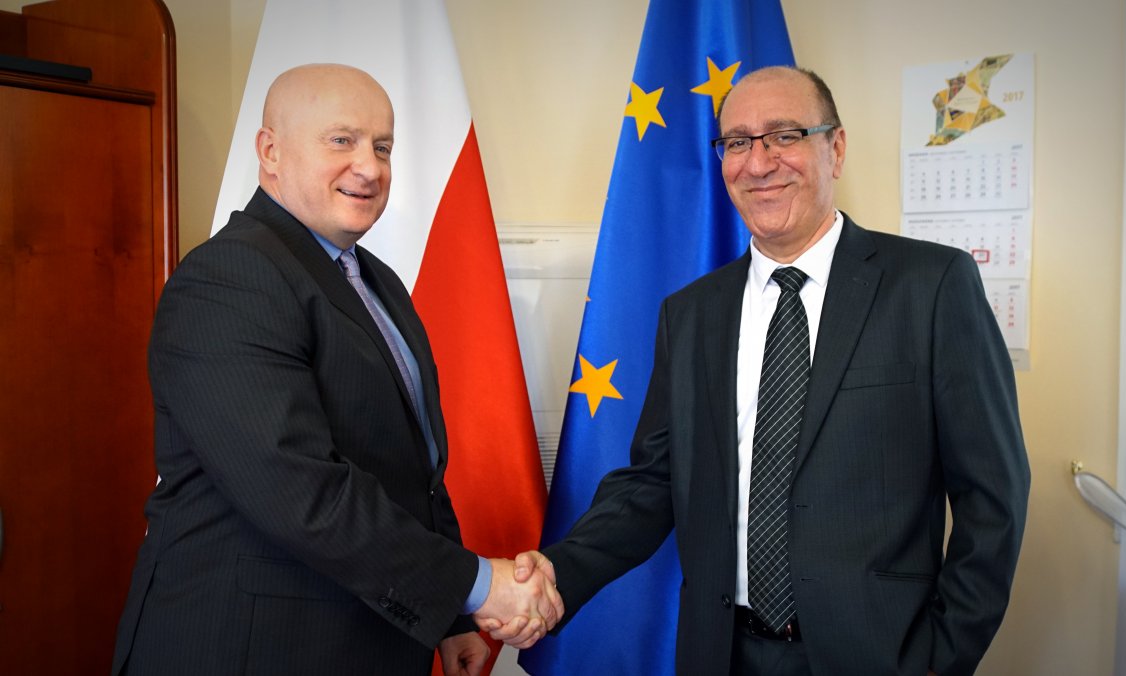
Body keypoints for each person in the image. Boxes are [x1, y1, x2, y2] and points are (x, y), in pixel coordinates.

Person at [495, 66, 1030, 675]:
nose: (758, 163)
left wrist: (943, 656)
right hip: (722, 654)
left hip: (881, 655)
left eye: (784, 135)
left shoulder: (931, 286)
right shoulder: (690, 314)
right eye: (737, 142)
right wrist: (557, 572)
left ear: (836, 148)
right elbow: (652, 482)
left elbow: (993, 495)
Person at [111, 64, 559, 676]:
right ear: (270, 152)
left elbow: (414, 473)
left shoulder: (375, 281)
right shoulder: (230, 277)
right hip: (251, 648)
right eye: (341, 140)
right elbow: (299, 490)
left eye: (383, 147)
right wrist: (477, 586)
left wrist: (451, 618)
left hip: (368, 637)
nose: (369, 167)